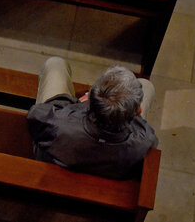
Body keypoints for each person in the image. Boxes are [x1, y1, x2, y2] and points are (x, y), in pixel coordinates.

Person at [27, 57, 158, 179]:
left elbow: (36, 114)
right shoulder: (142, 145)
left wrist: (81, 105)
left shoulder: (56, 124)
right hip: (107, 179)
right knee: (147, 86)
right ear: (138, 112)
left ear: (92, 98)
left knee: (55, 64)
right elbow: (146, 133)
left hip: (56, 166)